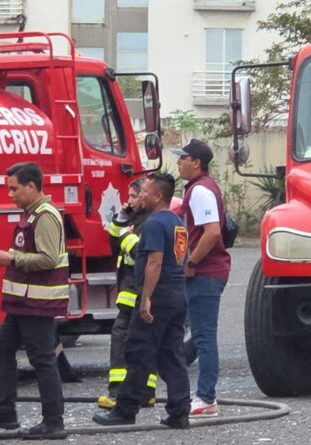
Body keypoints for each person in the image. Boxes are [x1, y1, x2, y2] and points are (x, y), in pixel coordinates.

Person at [0, 162, 68, 440]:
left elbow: (49, 259)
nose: (10, 194)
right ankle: (5, 411)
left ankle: (53, 422)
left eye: (14, 188)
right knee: (1, 346)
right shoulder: (31, 214)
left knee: (42, 360)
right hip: (24, 303)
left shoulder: (45, 216)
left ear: (31, 187)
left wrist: (11, 258)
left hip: (38, 303)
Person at [92, 172, 191, 429]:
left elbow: (154, 261)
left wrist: (146, 298)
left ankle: (124, 411)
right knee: (172, 354)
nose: (141, 195)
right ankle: (179, 412)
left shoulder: (155, 224)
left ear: (158, 196)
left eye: (145, 191)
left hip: (158, 295)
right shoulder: (176, 222)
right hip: (177, 294)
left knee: (137, 351)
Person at [172, 139, 231, 418]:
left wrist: (192, 262)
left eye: (182, 158)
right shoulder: (201, 188)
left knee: (205, 337)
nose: (178, 162)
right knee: (199, 334)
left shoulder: (200, 191)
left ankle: (206, 397)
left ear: (196, 162)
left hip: (205, 272)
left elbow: (212, 232)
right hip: (206, 271)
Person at [97, 178, 157, 410]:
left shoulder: (149, 222)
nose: (128, 200)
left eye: (134, 196)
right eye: (128, 196)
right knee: (142, 343)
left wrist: (125, 235)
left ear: (145, 196)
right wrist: (121, 218)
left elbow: (138, 252)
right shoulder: (134, 218)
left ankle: (118, 393)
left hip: (136, 291)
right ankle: (146, 393)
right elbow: (114, 243)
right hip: (130, 290)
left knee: (123, 340)